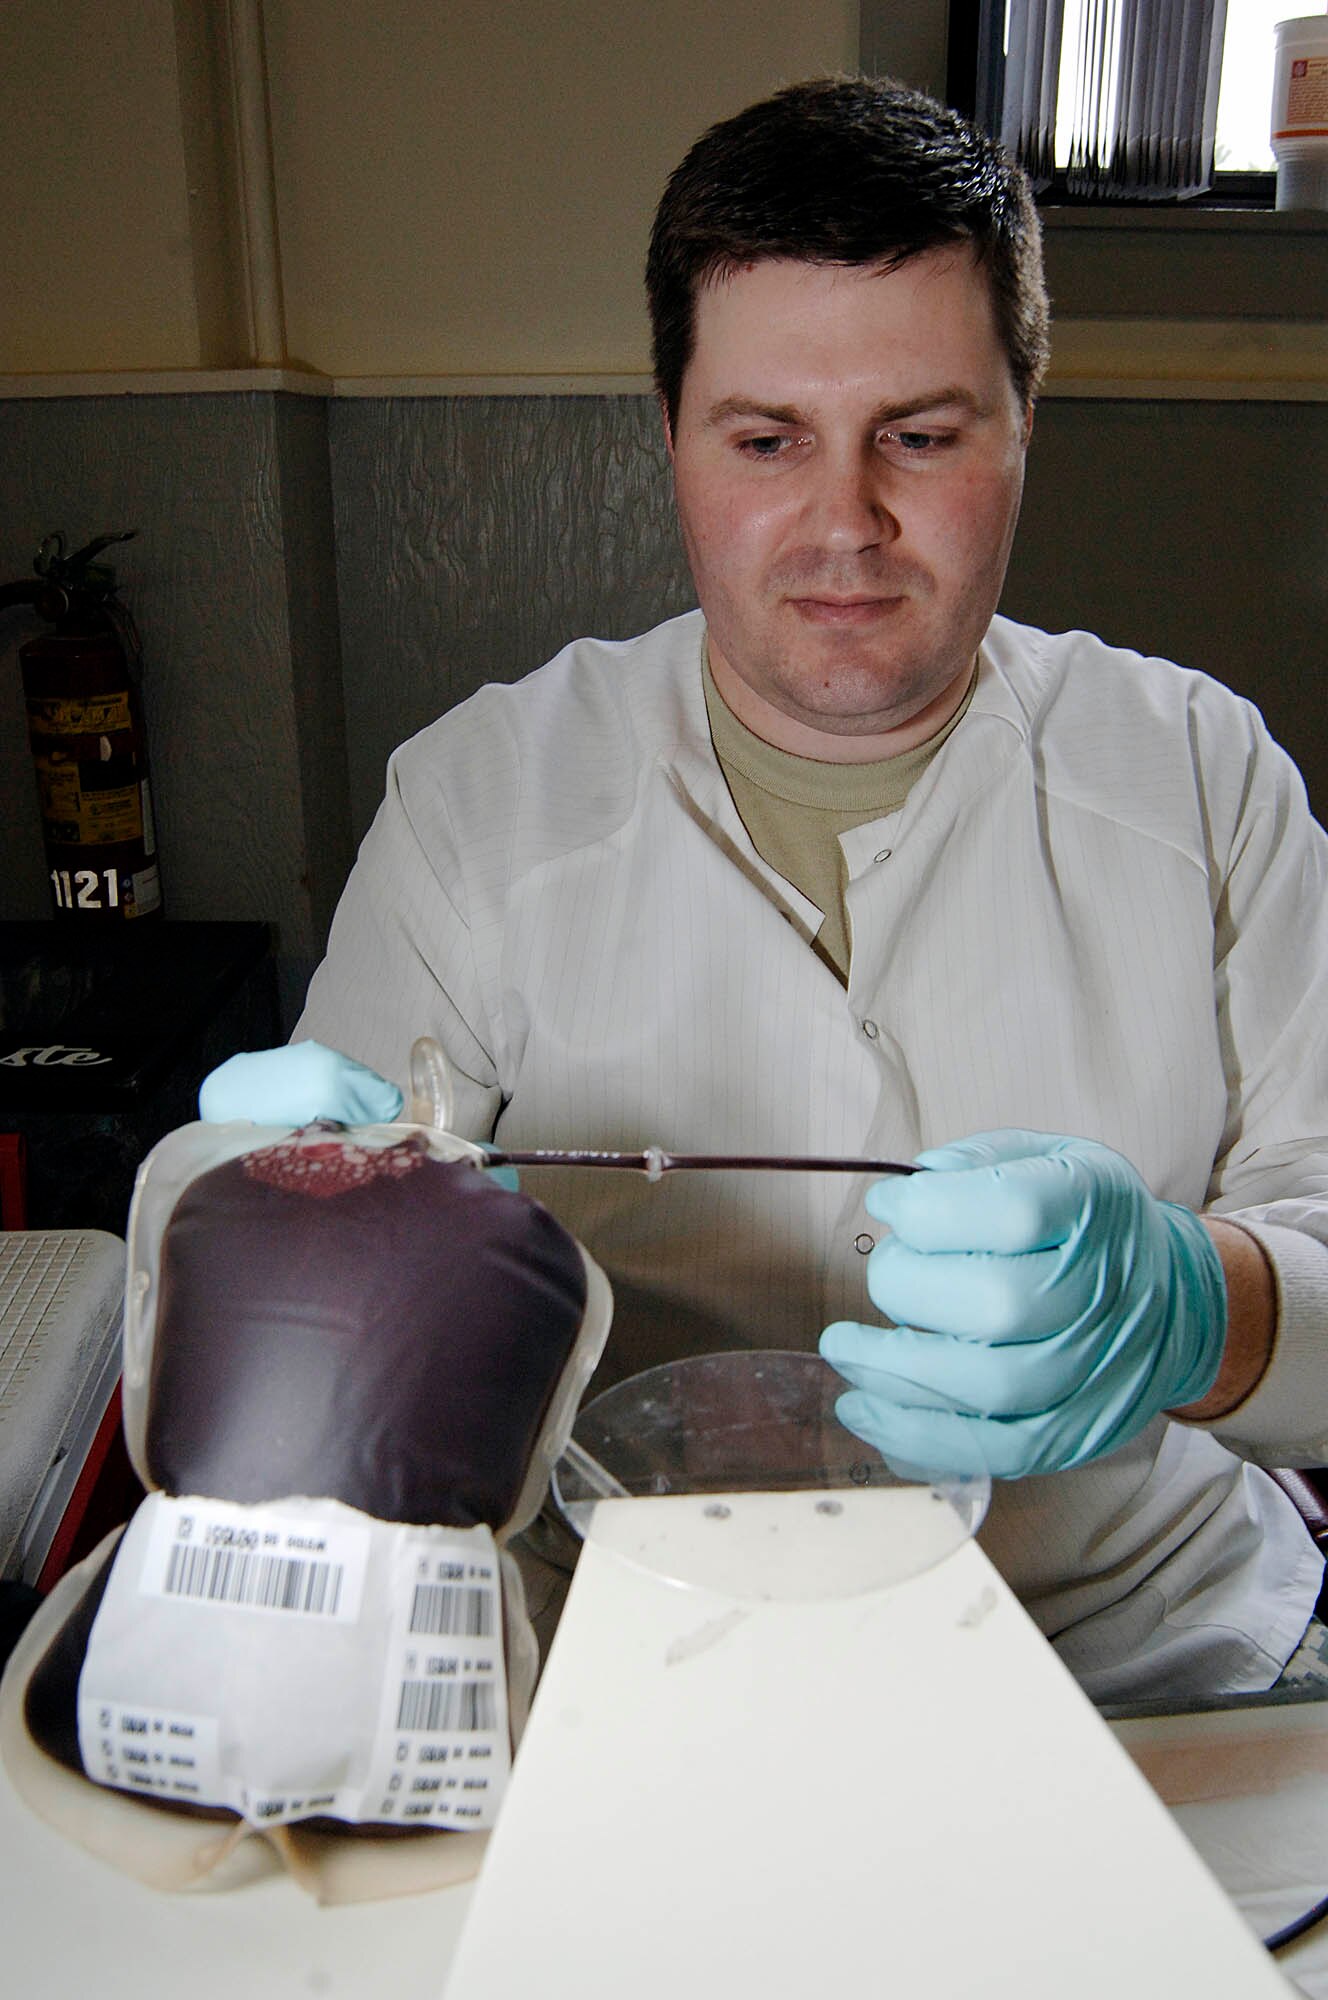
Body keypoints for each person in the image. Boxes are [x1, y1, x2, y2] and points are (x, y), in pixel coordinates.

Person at [203, 75, 1328, 1705]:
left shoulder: (1206, 775)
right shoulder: (479, 800)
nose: (844, 526)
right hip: (631, 1664)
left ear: (1027, 424)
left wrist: (1188, 1307)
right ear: (670, 435)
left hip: (1144, 1654)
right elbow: (298, 1323)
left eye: (922, 439)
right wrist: (277, 1225)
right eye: (765, 440)